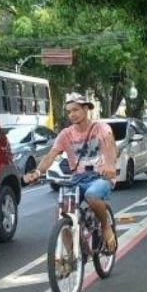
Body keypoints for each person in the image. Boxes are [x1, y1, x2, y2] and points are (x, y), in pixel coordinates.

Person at [23, 92, 118, 252]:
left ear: (86, 109)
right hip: (78, 179)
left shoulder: (101, 128)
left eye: (76, 110)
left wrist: (109, 164)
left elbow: (111, 146)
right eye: (69, 111)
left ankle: (105, 225)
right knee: (62, 211)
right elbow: (50, 156)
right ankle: (71, 254)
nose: (72, 114)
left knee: (92, 196)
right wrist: (38, 172)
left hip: (100, 177)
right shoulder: (66, 134)